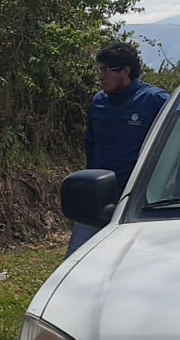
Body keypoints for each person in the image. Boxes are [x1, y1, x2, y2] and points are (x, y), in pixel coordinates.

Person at [69, 41, 170, 253]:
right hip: (99, 196)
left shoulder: (155, 100)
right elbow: (91, 144)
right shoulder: (99, 102)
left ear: (126, 71)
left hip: (138, 200)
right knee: (77, 256)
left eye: (106, 70)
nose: (101, 76)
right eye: (100, 69)